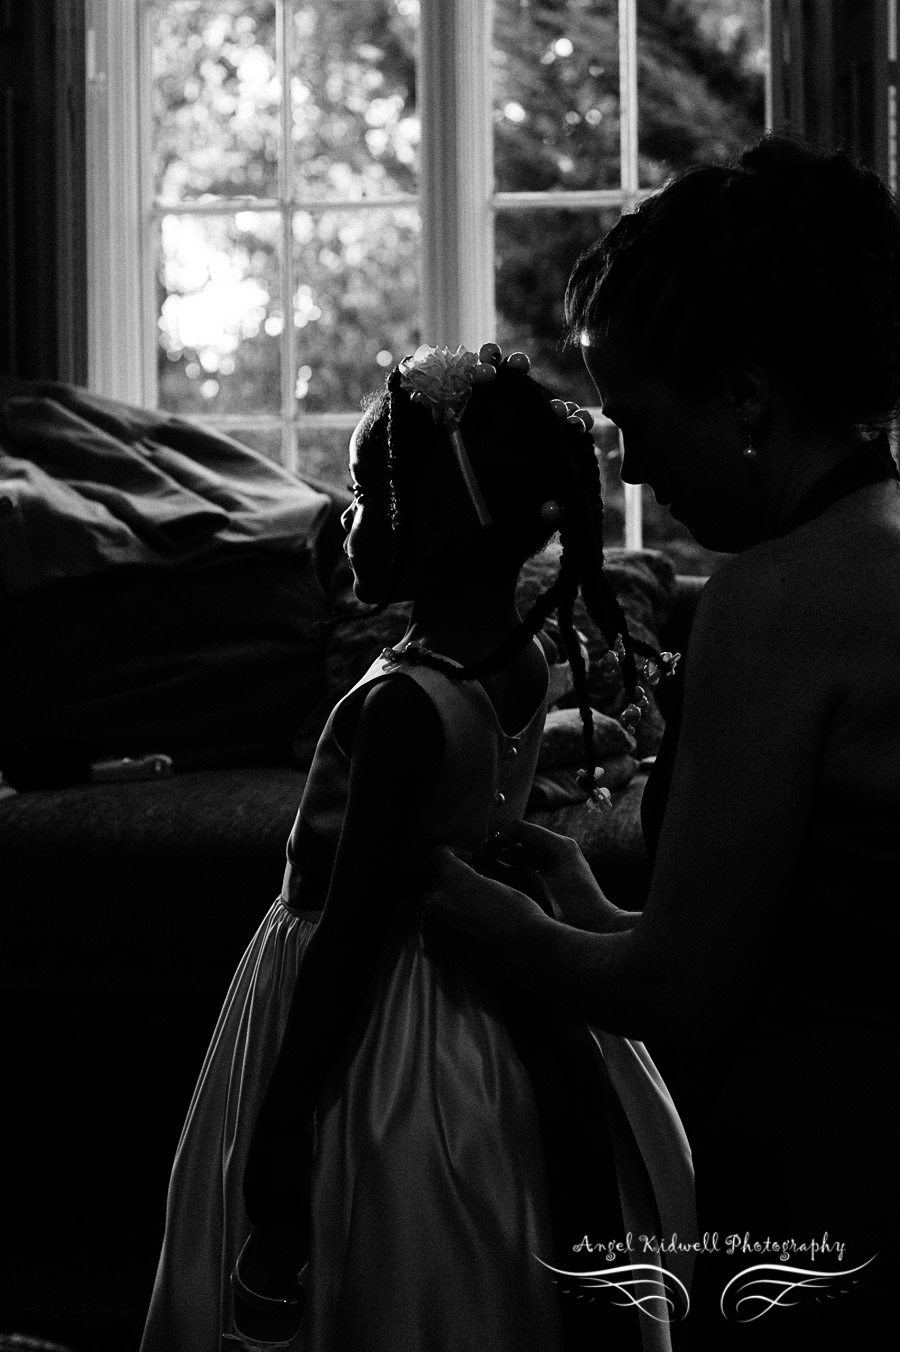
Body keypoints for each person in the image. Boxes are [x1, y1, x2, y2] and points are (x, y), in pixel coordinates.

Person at [427, 135, 900, 1350]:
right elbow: (791, 941)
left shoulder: (778, 597)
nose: (630, 463)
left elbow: (686, 996)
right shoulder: (882, 543)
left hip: (825, 1188)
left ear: (745, 395)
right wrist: (592, 903)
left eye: (639, 417)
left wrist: (490, 922)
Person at [139, 342, 695, 1352]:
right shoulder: (515, 657)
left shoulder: (401, 704)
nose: (345, 517)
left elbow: (350, 932)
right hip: (480, 999)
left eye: (361, 492)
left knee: (370, 1252)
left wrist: (285, 1118)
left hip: (375, 1023)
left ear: (431, 523)